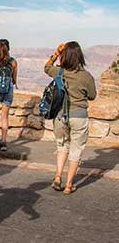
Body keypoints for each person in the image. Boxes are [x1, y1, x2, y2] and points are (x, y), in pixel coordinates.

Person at [45, 42, 96, 195]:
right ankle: (68, 185)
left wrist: (56, 53)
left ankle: (58, 176)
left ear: (64, 55)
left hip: (60, 116)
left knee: (62, 147)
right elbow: (92, 96)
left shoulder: (59, 72)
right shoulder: (86, 76)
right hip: (79, 116)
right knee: (76, 150)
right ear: (80, 56)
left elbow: (46, 67)